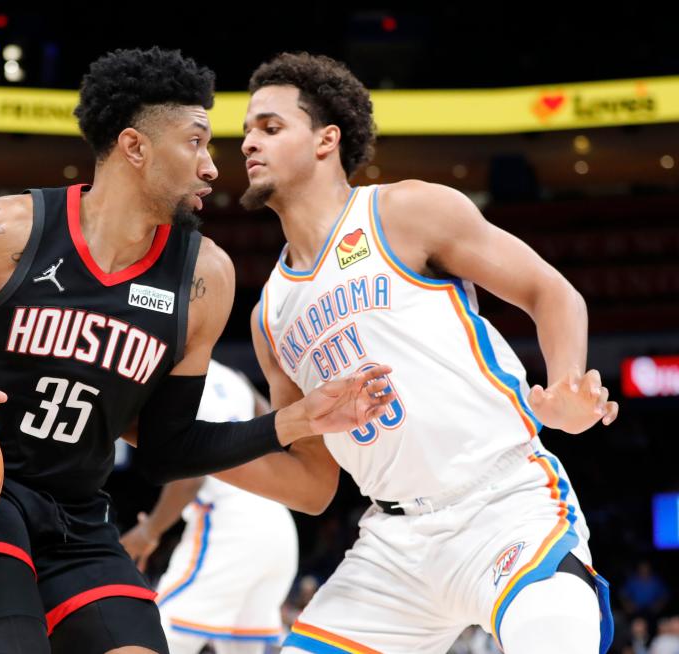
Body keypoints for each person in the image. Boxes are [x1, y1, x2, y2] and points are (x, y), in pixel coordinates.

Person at [0, 47, 391, 654]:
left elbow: (168, 450)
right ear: (135, 147)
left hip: (79, 516)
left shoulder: (202, 278)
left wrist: (296, 420)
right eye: (195, 142)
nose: (213, 168)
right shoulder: (5, 230)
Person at [215, 52, 620, 654]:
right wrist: (182, 447)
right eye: (247, 129)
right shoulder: (268, 315)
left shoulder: (403, 212)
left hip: (502, 501)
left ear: (327, 139)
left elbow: (551, 292)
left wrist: (565, 387)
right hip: (392, 548)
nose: (249, 142)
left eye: (270, 127)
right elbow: (311, 486)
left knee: (557, 636)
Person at [120, 359, 298, 653]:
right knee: (244, 647)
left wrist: (149, 531)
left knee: (156, 632)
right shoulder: (235, 375)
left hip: (228, 524)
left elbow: (189, 477)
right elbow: (272, 428)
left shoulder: (173, 375)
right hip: (276, 520)